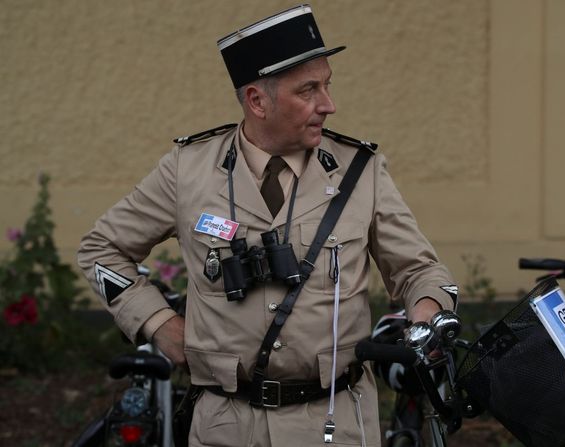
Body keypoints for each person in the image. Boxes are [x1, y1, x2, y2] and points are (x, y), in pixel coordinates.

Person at [78, 4, 457, 446]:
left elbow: (420, 270)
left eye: (327, 85)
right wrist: (158, 322)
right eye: (308, 90)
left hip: (335, 423)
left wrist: (427, 316)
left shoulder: (361, 171)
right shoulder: (189, 172)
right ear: (258, 100)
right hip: (225, 424)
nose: (328, 105)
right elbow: (100, 248)